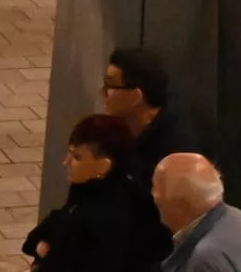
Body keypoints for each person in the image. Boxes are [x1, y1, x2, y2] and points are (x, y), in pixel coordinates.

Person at [21, 113, 168, 271]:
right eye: (69, 153)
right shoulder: (87, 188)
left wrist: (45, 255)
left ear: (103, 166)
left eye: (77, 157)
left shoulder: (109, 214)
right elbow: (38, 235)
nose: (65, 162)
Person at [102, 47, 205, 195]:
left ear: (135, 97)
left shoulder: (176, 149)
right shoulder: (116, 134)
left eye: (109, 86)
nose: (102, 93)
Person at [153, 155, 241, 272]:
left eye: (156, 188)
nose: (153, 196)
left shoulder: (204, 261)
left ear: (180, 206)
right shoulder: (240, 218)